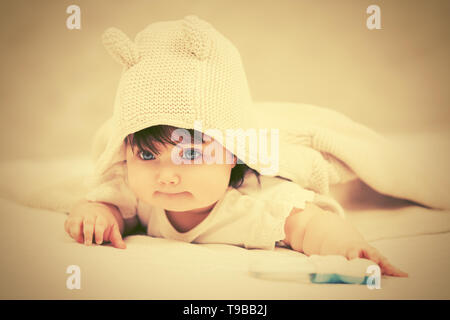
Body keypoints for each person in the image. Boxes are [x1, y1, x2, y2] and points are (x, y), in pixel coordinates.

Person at [64, 15, 408, 277]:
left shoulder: (255, 201)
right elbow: (108, 203)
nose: (165, 176)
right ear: (126, 153)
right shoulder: (135, 192)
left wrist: (349, 246)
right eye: (148, 154)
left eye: (190, 153)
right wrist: (97, 215)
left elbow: (308, 225)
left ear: (231, 152)